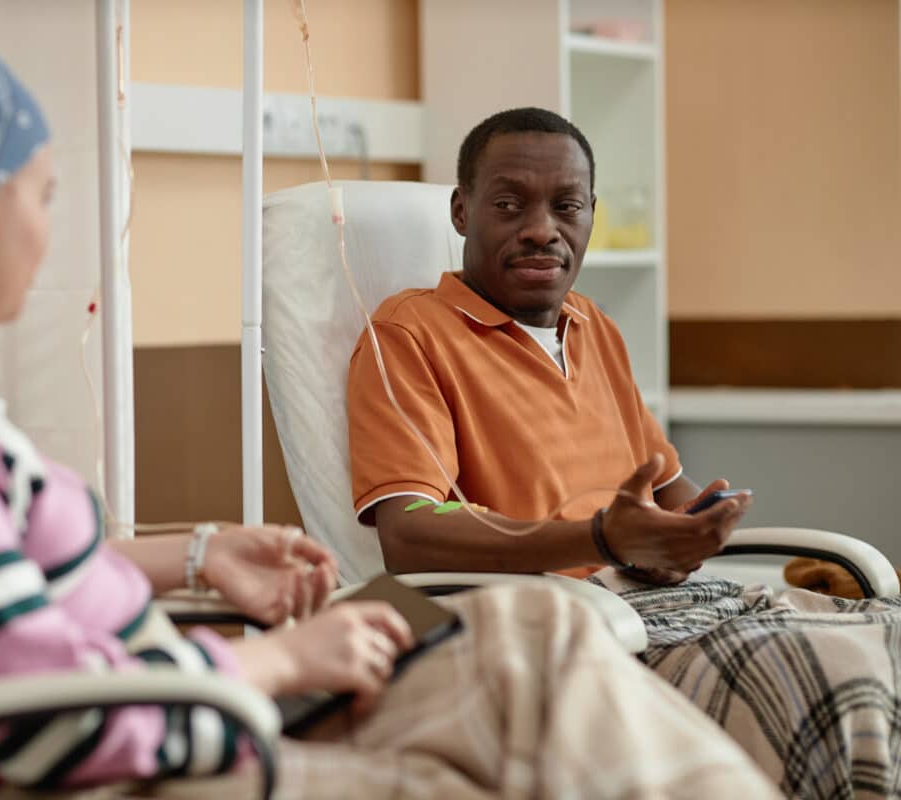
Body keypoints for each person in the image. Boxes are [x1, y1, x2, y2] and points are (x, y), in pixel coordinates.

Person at [0, 48, 778, 799]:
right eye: (47, 194)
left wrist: (195, 553)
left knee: (539, 637)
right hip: (151, 751)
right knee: (542, 668)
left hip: (178, 702)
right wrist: (283, 662)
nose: (52, 230)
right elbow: (36, 715)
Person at [347, 106, 901, 797]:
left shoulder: (593, 325)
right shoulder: (409, 336)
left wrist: (700, 522)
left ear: (591, 215)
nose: (541, 230)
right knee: (837, 684)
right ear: (462, 211)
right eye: (510, 204)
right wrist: (602, 540)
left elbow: (664, 488)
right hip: (578, 630)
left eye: (566, 206)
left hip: (680, 602)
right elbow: (407, 534)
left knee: (889, 641)